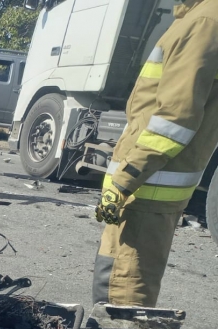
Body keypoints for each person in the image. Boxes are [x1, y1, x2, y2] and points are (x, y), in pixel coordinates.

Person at [93, 0, 218, 307]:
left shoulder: (204, 23)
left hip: (146, 188)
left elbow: (175, 119)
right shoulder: (194, 19)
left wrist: (124, 180)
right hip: (143, 186)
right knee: (111, 280)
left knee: (125, 288)